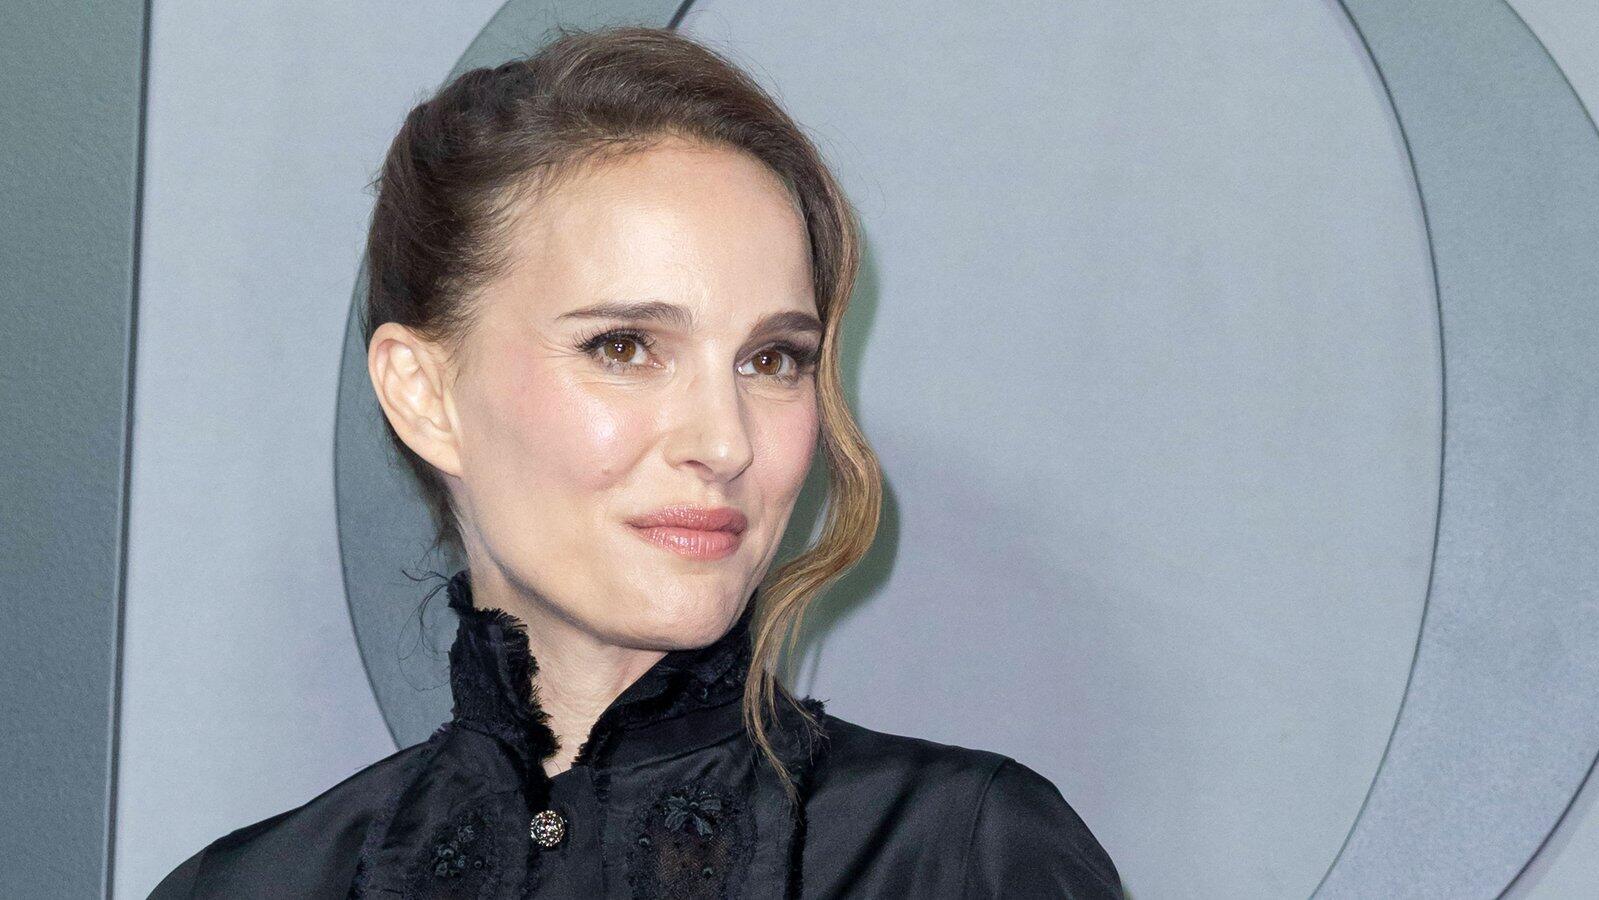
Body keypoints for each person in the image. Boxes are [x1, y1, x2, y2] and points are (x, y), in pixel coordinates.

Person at [150, 24, 1122, 899]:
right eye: (624, 347)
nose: (725, 442)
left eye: (772, 359)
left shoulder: (960, 858)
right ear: (425, 395)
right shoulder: (245, 887)